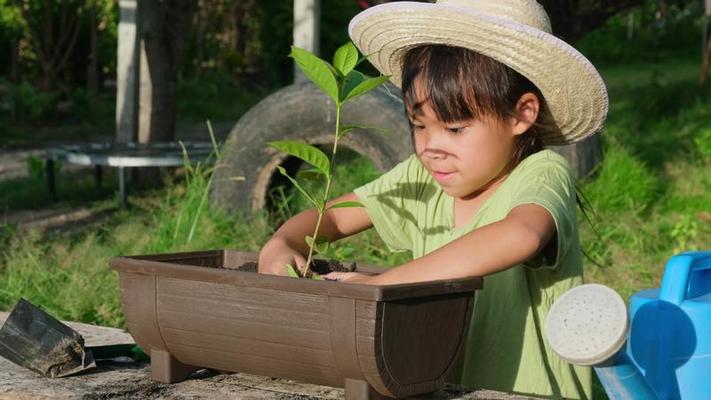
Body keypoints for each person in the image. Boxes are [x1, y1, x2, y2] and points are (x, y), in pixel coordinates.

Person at [258, 0, 608, 398]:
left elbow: (519, 236)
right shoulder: (421, 177)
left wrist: (386, 284)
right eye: (419, 125)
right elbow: (334, 218)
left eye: (456, 128)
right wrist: (283, 242)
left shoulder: (541, 173)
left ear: (521, 114)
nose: (431, 147)